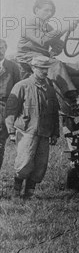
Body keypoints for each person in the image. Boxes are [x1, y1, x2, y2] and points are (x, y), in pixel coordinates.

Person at [15, 0, 79, 110]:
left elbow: (58, 44)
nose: (49, 14)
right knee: (56, 64)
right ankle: (73, 99)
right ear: (36, 10)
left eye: (51, 11)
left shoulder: (48, 27)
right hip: (27, 58)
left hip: (42, 59)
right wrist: (65, 28)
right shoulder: (29, 24)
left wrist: (54, 51)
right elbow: (42, 40)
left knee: (69, 67)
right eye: (46, 10)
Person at [4, 56, 60, 199]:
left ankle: (29, 194)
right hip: (26, 131)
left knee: (40, 165)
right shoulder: (22, 86)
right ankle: (16, 193)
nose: (44, 72)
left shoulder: (50, 89)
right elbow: (11, 109)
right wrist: (11, 131)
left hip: (44, 132)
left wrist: (55, 133)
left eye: (46, 69)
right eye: (41, 69)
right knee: (24, 162)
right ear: (33, 68)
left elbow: (54, 113)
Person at [0, 39, 22, 173]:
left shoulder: (12, 67)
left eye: (2, 47)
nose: (0, 50)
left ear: (6, 49)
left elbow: (18, 89)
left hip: (4, 109)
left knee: (0, 144)